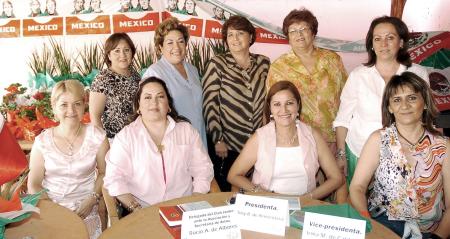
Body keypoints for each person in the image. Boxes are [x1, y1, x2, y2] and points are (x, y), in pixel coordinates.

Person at [333, 16, 429, 194]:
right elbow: (342, 119)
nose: (383, 44)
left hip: (405, 156)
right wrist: (341, 155)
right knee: (358, 207)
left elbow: (426, 116)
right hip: (359, 152)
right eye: (377, 39)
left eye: (390, 38)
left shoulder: (418, 73)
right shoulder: (358, 75)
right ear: (371, 44)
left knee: (398, 211)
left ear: (401, 42)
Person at [349, 72, 449, 239]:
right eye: (397, 100)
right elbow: (357, 187)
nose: (404, 105)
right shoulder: (378, 140)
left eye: (412, 98)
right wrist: (368, 224)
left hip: (428, 232)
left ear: (424, 103)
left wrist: (437, 238)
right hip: (383, 226)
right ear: (389, 107)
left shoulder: (444, 146)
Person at [266, 8, 348, 202]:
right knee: (308, 192)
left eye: (303, 29)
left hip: (332, 138)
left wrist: (342, 144)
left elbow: (346, 100)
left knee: (338, 186)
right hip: (299, 139)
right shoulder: (279, 66)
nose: (298, 34)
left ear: (313, 32)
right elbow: (273, 106)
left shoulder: (332, 60)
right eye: (292, 31)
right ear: (287, 36)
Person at [104, 77, 213, 212]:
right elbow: (114, 179)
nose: (154, 102)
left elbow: (203, 169)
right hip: (142, 212)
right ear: (138, 106)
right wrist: (136, 209)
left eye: (160, 97)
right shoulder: (126, 137)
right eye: (147, 97)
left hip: (184, 208)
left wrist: (194, 202)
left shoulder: (186, 131)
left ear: (168, 105)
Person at [227, 81, 342, 197]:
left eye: (289, 103)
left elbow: (336, 178)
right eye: (277, 104)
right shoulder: (259, 138)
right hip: (268, 206)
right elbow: (233, 175)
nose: (284, 110)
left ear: (298, 104)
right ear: (270, 108)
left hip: (305, 206)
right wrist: (263, 194)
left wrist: (309, 198)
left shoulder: (312, 135)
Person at [28, 80, 109, 239]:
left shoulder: (98, 136)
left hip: (85, 209)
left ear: (84, 105)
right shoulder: (42, 141)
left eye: (77, 104)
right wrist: (54, 212)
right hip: (49, 209)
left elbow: (105, 172)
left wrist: (92, 198)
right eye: (64, 105)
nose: (71, 110)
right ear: (54, 108)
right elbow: (34, 184)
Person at [202, 15, 270, 191]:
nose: (235, 39)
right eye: (230, 35)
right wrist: (218, 139)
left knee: (258, 192)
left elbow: (270, 101)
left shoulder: (263, 63)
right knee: (230, 194)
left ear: (250, 37)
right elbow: (210, 103)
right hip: (229, 144)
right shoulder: (217, 63)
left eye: (240, 33)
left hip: (258, 143)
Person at [143, 17, 207, 147]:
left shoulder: (192, 70)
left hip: (199, 139)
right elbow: (148, 114)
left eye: (180, 41)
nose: (176, 47)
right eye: (170, 43)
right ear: (160, 47)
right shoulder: (155, 73)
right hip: (172, 143)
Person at [89, 33, 140, 141]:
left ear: (132, 53)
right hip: (113, 141)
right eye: (117, 51)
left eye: (126, 50)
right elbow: (95, 117)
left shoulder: (136, 76)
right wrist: (104, 145)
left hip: (136, 138)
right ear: (109, 55)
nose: (122, 55)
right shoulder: (103, 79)